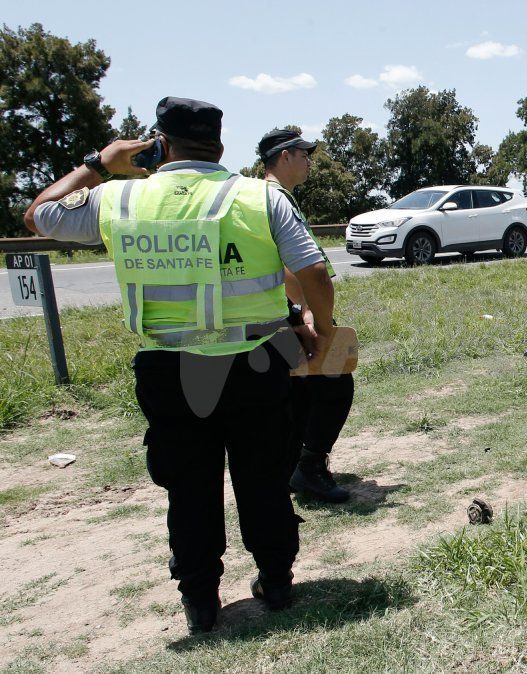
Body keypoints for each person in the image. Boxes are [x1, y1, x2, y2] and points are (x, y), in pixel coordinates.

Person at [23, 97, 336, 634]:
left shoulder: (120, 197)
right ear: (220, 144)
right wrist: (320, 331)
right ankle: (277, 580)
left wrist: (99, 162)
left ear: (159, 144)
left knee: (189, 486)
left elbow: (38, 215)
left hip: (169, 367)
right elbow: (314, 272)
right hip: (257, 360)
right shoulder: (259, 197)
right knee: (263, 476)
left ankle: (200, 599)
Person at [257, 129, 354, 503]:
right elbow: (297, 268)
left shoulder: (259, 197)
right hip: (288, 313)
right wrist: (308, 312)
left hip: (274, 313)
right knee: (335, 382)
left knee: (302, 390)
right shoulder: (275, 198)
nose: (310, 161)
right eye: (304, 154)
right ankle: (309, 466)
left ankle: (293, 466)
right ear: (284, 156)